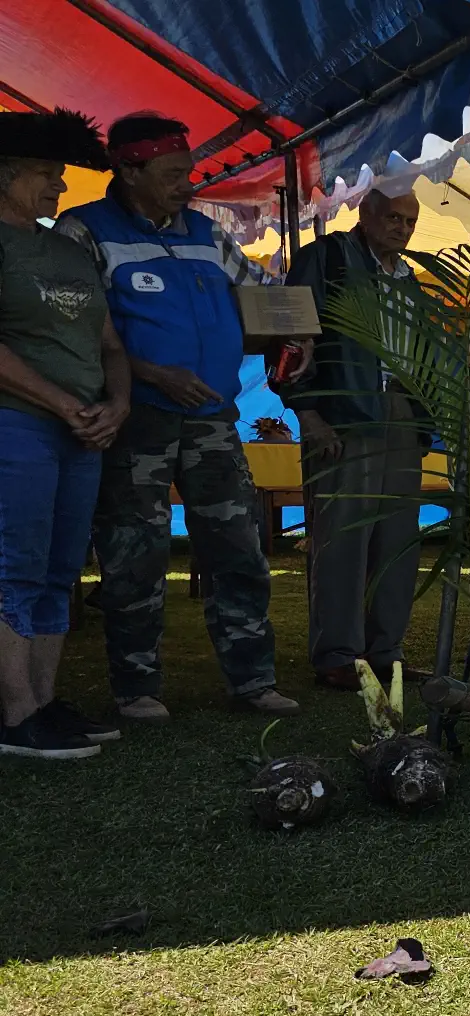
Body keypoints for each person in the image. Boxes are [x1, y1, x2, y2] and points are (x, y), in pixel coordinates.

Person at [56, 113, 300, 720]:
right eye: (171, 174)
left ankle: (253, 680)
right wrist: (152, 374)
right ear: (127, 169)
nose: (187, 185)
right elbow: (71, 330)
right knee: (135, 554)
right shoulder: (81, 231)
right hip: (137, 420)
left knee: (240, 547)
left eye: (188, 171)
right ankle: (135, 688)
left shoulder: (206, 233)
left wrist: (293, 332)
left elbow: (260, 295)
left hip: (214, 420)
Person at [0, 108, 128, 758]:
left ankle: (45, 700)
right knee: (14, 565)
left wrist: (118, 403)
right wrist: (57, 400)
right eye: (46, 175)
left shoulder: (66, 247)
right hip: (16, 424)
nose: (59, 188)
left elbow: (109, 342)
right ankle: (15, 711)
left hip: (82, 431)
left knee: (60, 569)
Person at [283, 189, 426, 690]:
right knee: (342, 538)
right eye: (393, 217)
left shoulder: (410, 281)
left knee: (397, 539)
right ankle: (338, 654)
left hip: (399, 413)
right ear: (364, 213)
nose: (402, 229)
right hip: (343, 411)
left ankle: (386, 652)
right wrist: (308, 413)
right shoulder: (326, 258)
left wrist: (423, 422)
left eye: (410, 221)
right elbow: (290, 336)